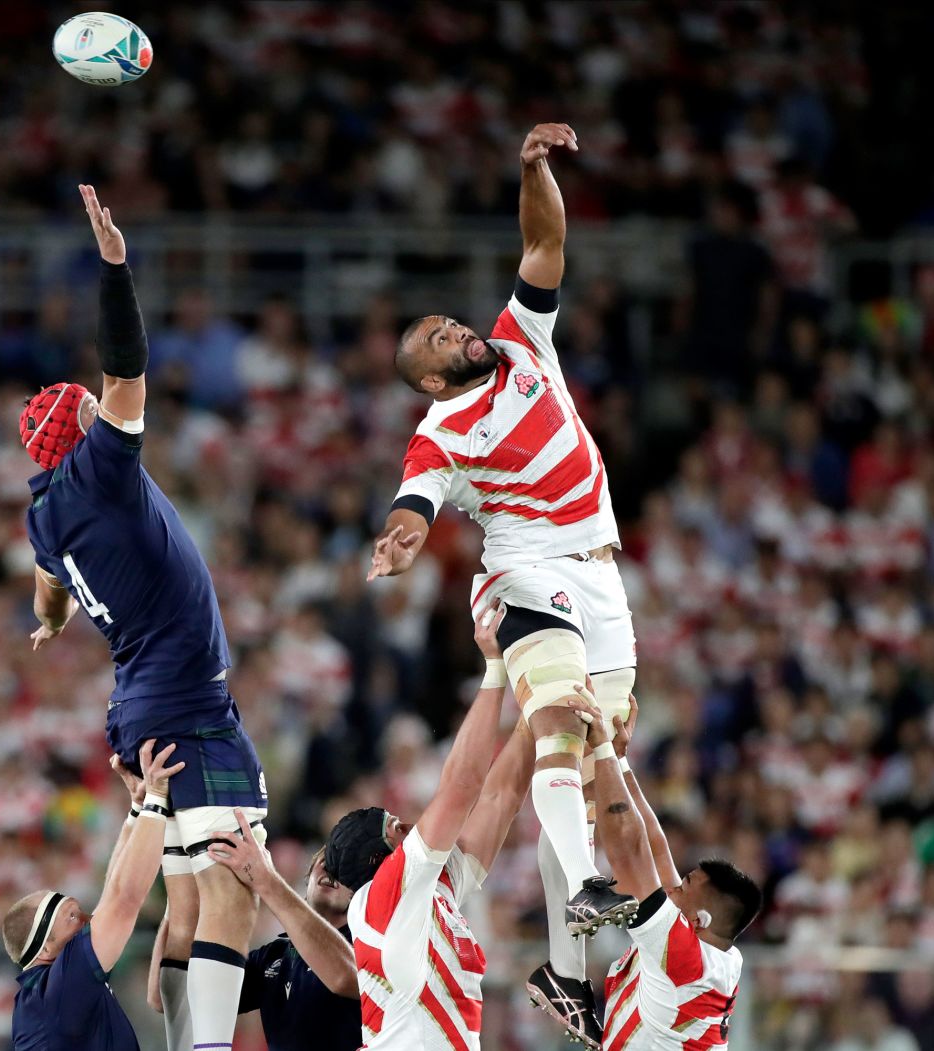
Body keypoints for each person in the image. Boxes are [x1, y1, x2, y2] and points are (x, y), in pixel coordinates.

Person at [366, 120, 640, 998]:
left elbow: (544, 238)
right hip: (526, 570)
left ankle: (566, 973)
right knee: (559, 715)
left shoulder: (524, 338)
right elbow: (417, 502)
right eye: (441, 341)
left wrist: (530, 168)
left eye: (450, 324)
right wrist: (404, 536)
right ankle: (590, 890)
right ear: (433, 382)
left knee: (600, 761)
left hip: (601, 571)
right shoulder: (439, 432)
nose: (456, 332)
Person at [22, 184, 267, 1051]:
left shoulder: (43, 510)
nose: (101, 404)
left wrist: (48, 618)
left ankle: (182, 1044)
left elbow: (48, 580)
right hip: (181, 703)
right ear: (82, 426)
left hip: (142, 705)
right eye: (88, 407)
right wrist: (116, 265)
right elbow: (126, 366)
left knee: (192, 892)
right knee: (233, 881)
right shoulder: (101, 470)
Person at [322, 601, 536, 1051]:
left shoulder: (427, 894)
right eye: (398, 826)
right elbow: (462, 787)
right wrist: (496, 668)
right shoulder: (384, 895)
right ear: (386, 854)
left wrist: (539, 708)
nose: (413, 828)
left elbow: (500, 799)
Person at [536, 693, 762, 1050]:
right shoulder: (709, 946)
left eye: (683, 886)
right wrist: (620, 760)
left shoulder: (685, 959)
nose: (671, 887)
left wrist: (602, 746)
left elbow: (629, 852)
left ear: (699, 919)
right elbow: (655, 851)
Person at [5, 740, 184, 1051]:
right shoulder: (60, 987)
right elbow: (123, 901)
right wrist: (157, 799)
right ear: (46, 944)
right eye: (68, 914)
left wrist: (137, 811)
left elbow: (110, 897)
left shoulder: (51, 985)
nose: (84, 916)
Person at [192, 822, 359, 1051]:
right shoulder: (275, 955)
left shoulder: (378, 945)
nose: (332, 869)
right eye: (325, 859)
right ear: (307, 878)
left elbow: (344, 976)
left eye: (346, 865)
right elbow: (184, 997)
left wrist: (265, 879)